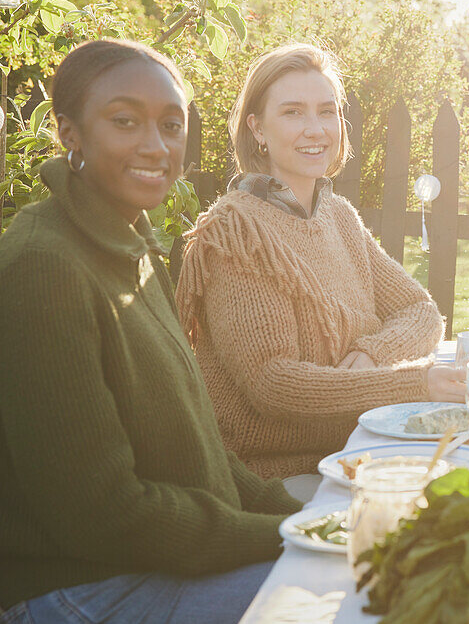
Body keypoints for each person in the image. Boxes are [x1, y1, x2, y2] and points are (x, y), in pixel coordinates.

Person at [0, 39, 300, 624]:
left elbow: (200, 445)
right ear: (70, 132)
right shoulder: (44, 267)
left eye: (171, 124)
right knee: (354, 594)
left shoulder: (134, 246)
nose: (156, 146)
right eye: (124, 121)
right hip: (81, 589)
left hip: (154, 561)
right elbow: (102, 513)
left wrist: (290, 515)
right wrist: (277, 537)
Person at [175, 43, 463, 482]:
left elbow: (421, 311)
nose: (316, 129)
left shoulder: (338, 216)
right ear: (257, 129)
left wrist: (372, 353)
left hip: (357, 452)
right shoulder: (236, 232)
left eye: (327, 112)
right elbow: (275, 384)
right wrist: (415, 383)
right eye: (293, 113)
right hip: (274, 478)